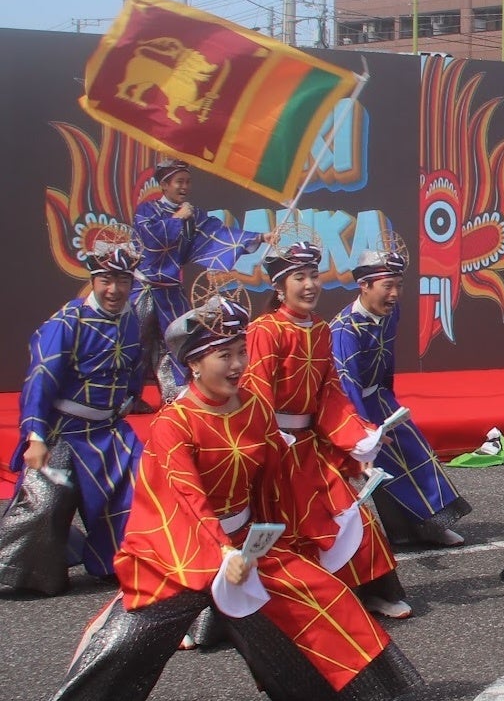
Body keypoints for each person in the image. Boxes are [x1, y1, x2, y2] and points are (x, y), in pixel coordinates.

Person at [18, 294, 419, 701]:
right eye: (222, 355)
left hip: (246, 541)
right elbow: (184, 497)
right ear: (192, 364)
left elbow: (279, 473)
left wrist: (339, 479)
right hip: (178, 549)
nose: (236, 364)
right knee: (128, 640)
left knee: (315, 598)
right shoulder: (174, 424)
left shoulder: (254, 408)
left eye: (239, 351)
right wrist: (221, 553)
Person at [243, 241, 409, 618]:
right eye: (299, 277)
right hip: (273, 448)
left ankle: (371, 591)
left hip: (308, 447)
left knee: (350, 514)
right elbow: (255, 391)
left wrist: (359, 436)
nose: (309, 285)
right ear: (279, 287)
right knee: (278, 529)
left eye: (313, 276)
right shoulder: (266, 330)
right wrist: (270, 439)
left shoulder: (319, 329)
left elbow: (329, 393)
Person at [0, 231, 145, 596]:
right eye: (106, 280)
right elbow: (41, 377)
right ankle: (26, 573)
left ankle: (119, 563)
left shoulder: (132, 318)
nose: (114, 289)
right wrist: (35, 437)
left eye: (123, 280)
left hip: (110, 431)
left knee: (139, 492)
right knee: (43, 506)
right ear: (93, 280)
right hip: (64, 432)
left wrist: (130, 397)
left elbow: (134, 364)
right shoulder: (67, 322)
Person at [331, 242, 470, 547]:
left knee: (418, 453)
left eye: (399, 285)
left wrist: (389, 398)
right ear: (364, 286)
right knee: (384, 467)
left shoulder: (391, 313)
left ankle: (431, 525)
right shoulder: (345, 329)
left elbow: (387, 359)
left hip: (380, 398)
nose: (394, 293)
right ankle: (406, 531)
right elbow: (347, 383)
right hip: (353, 408)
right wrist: (363, 432)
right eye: (387, 286)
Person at [132, 159, 272, 401]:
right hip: (143, 287)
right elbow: (151, 239)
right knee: (135, 341)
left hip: (170, 290)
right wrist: (177, 219)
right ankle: (129, 397)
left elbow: (219, 234)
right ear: (164, 184)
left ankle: (175, 396)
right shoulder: (147, 211)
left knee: (176, 341)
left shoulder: (193, 215)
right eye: (179, 182)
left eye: (187, 181)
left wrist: (259, 237)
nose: (184, 187)